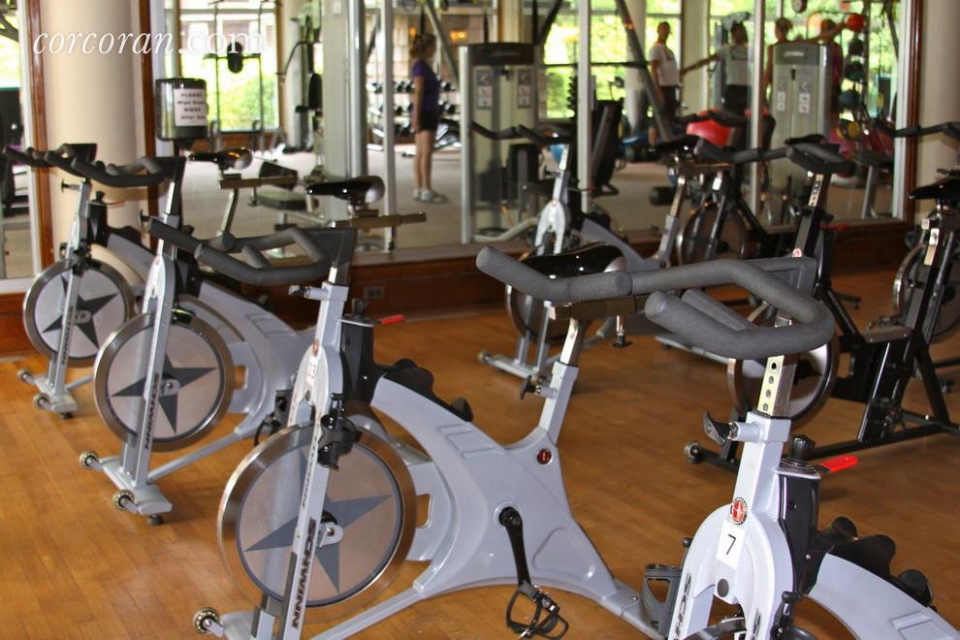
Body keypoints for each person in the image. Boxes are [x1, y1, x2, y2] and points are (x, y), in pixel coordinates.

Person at [680, 21, 751, 115]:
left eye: (742, 31)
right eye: (738, 31)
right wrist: (687, 69)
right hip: (733, 87)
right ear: (733, 33)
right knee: (731, 115)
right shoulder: (727, 49)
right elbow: (707, 60)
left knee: (747, 117)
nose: (741, 34)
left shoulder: (750, 49)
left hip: (747, 88)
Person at [409, 32, 448, 203]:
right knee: (426, 153)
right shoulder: (420, 67)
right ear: (428, 48)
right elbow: (418, 92)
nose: (435, 50)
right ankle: (426, 188)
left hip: (426, 111)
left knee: (420, 153)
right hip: (425, 112)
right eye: (433, 47)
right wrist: (416, 116)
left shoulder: (422, 65)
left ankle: (419, 188)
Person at [647, 21, 680, 146]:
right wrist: (657, 90)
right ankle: (652, 146)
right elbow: (653, 69)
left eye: (667, 29)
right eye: (663, 29)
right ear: (658, 31)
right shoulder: (656, 49)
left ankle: (665, 144)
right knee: (658, 117)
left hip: (670, 87)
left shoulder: (668, 51)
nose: (665, 32)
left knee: (668, 118)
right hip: (662, 87)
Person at [763, 17, 794, 101]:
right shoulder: (793, 47)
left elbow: (769, 69)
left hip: (777, 85)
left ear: (777, 30)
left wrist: (764, 90)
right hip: (791, 85)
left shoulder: (774, 48)